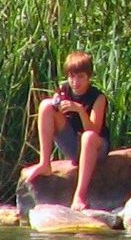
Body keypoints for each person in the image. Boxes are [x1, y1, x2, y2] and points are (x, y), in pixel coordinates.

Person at [21, 50, 108, 209]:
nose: (75, 82)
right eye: (71, 76)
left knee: (88, 136)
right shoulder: (64, 89)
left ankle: (80, 195)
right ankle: (45, 163)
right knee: (46, 105)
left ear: (89, 77)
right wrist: (57, 106)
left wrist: (80, 110)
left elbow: (94, 130)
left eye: (80, 77)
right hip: (73, 145)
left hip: (96, 147)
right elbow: (54, 111)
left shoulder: (98, 97)